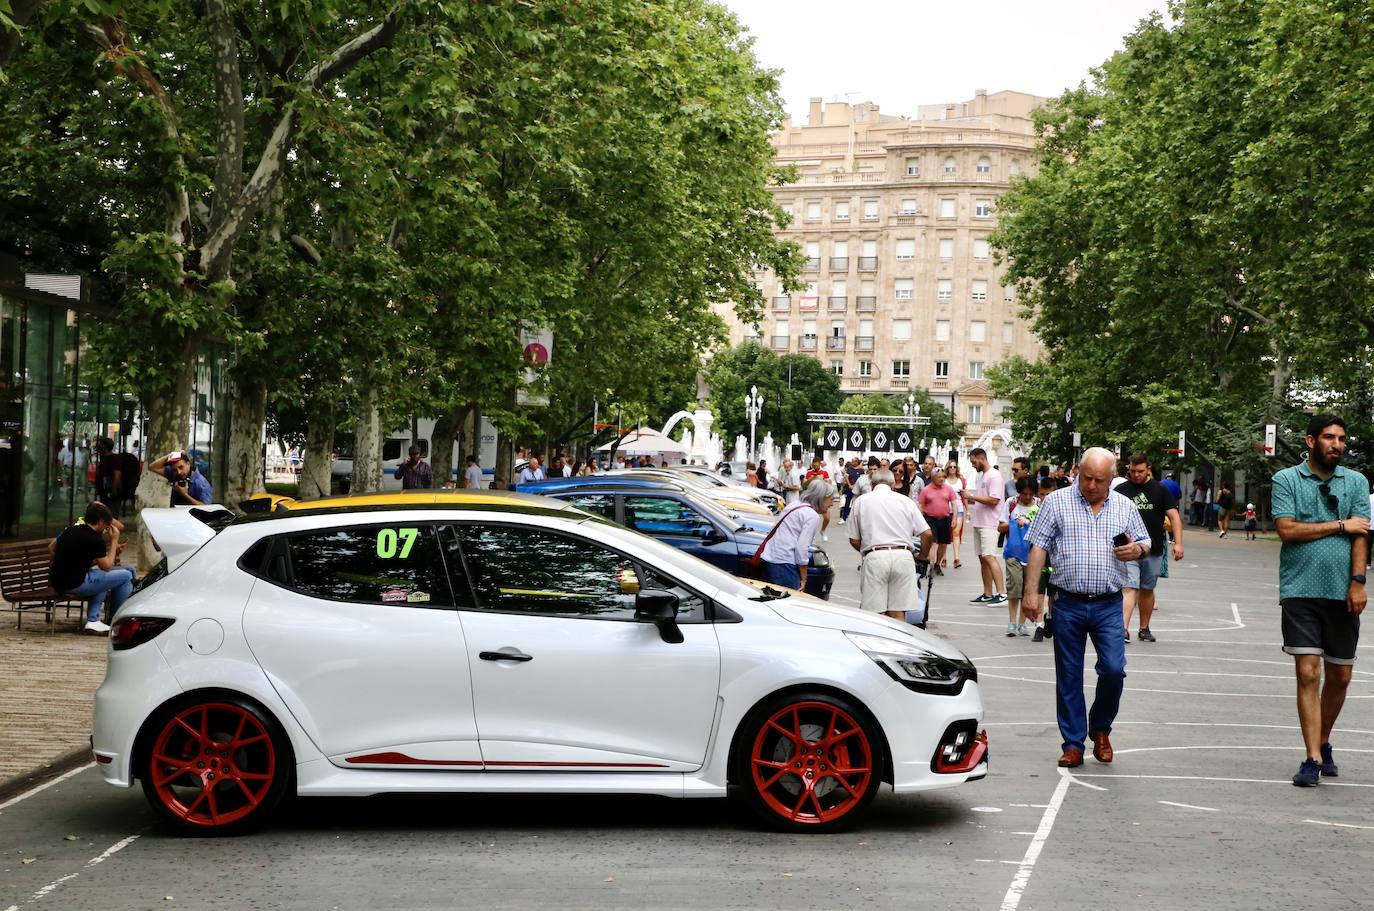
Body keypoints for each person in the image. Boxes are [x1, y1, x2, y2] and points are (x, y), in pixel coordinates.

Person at [1021, 447, 1151, 769]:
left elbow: (1146, 543)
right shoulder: (1056, 502)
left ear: (1111, 478)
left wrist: (1136, 550)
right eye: (1087, 477)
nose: (1092, 485)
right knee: (1068, 676)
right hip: (1067, 602)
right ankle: (1073, 743)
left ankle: (1101, 728)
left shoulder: (1124, 505)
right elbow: (1038, 547)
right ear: (1078, 471)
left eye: (1100, 480)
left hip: (1108, 604)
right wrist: (1031, 593)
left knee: (1113, 670)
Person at [1271, 413, 1370, 787]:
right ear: (1311, 441)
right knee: (1308, 672)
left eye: (1342, 439)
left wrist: (1358, 582)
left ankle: (1323, 739)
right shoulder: (1287, 479)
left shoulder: (1356, 482)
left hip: (1343, 591)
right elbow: (1286, 529)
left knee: (1341, 675)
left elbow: (1363, 535)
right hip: (1299, 590)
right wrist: (1340, 525)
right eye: (1329, 437)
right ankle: (1312, 757)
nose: (1337, 445)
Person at [1115, 454, 1184, 643]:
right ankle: (1123, 629)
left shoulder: (1160, 490)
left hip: (1153, 549)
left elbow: (1175, 517)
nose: (1136, 475)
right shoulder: (1121, 490)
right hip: (1128, 549)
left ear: (1148, 469)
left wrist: (1178, 543)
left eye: (1140, 471)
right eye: (1133, 471)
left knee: (1147, 588)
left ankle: (1144, 628)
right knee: (1129, 587)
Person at [847, 468, 933, 619]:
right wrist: (923, 555)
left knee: (876, 614)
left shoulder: (861, 501)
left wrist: (868, 551)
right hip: (903, 555)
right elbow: (926, 533)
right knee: (898, 612)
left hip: (875, 555)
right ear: (893, 485)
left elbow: (854, 539)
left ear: (872, 485)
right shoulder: (906, 501)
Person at [48, 501, 136, 634]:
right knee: (126, 576)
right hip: (76, 584)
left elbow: (51, 547)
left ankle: (93, 621)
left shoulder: (70, 530)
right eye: (106, 526)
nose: (106, 529)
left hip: (58, 581)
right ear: (100, 522)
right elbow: (107, 566)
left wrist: (70, 560)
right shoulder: (95, 539)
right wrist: (114, 541)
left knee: (113, 577)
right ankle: (115, 620)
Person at [758, 481, 833, 590]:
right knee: (790, 601)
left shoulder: (794, 504)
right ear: (821, 498)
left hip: (769, 558)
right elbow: (801, 549)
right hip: (784, 564)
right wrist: (804, 578)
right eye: (830, 499)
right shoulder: (812, 516)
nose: (832, 504)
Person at [964, 448, 1007, 606]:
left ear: (981, 458)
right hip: (979, 521)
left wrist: (971, 496)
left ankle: (1002, 593)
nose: (973, 465)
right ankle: (988, 593)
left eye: (974, 462)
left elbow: (994, 500)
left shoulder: (994, 475)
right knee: (983, 558)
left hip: (990, 522)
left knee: (989, 556)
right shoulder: (981, 475)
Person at [999, 476, 1038, 636]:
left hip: (1033, 553)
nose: (1027, 497)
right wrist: (1015, 523)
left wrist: (1030, 522)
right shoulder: (1011, 504)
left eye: (1030, 494)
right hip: (1013, 553)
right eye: (1024, 494)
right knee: (1015, 586)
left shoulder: (1039, 505)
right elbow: (1000, 527)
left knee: (1026, 588)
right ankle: (1011, 622)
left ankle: (1022, 623)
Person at [918, 467, 959, 576]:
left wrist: (954, 518)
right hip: (930, 519)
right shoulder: (926, 490)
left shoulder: (948, 489)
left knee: (943, 544)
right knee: (932, 543)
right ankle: (931, 565)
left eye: (943, 477)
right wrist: (919, 520)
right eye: (939, 477)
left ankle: (937, 564)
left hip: (945, 519)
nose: (942, 479)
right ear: (933, 478)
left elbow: (954, 504)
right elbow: (921, 505)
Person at [148, 449, 213, 506]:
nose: (179, 472)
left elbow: (206, 507)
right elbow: (152, 467)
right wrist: (170, 455)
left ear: (188, 464)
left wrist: (185, 495)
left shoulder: (201, 483)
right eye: (175, 469)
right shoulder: (174, 474)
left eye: (181, 467)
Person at [946, 461, 966, 569]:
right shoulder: (943, 480)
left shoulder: (961, 480)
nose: (952, 468)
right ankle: (943, 557)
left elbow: (964, 496)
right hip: (945, 509)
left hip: (959, 509)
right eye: (950, 467)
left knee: (956, 532)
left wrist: (967, 509)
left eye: (954, 467)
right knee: (944, 534)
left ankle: (956, 558)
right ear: (947, 468)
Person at [839, 457, 863, 524]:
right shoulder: (849, 469)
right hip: (849, 488)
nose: (852, 462)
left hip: (857, 488)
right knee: (847, 502)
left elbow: (861, 479)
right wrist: (849, 485)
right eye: (852, 461)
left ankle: (855, 518)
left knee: (856, 503)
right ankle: (844, 518)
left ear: (856, 462)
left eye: (853, 461)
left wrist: (855, 485)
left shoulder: (861, 470)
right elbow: (846, 477)